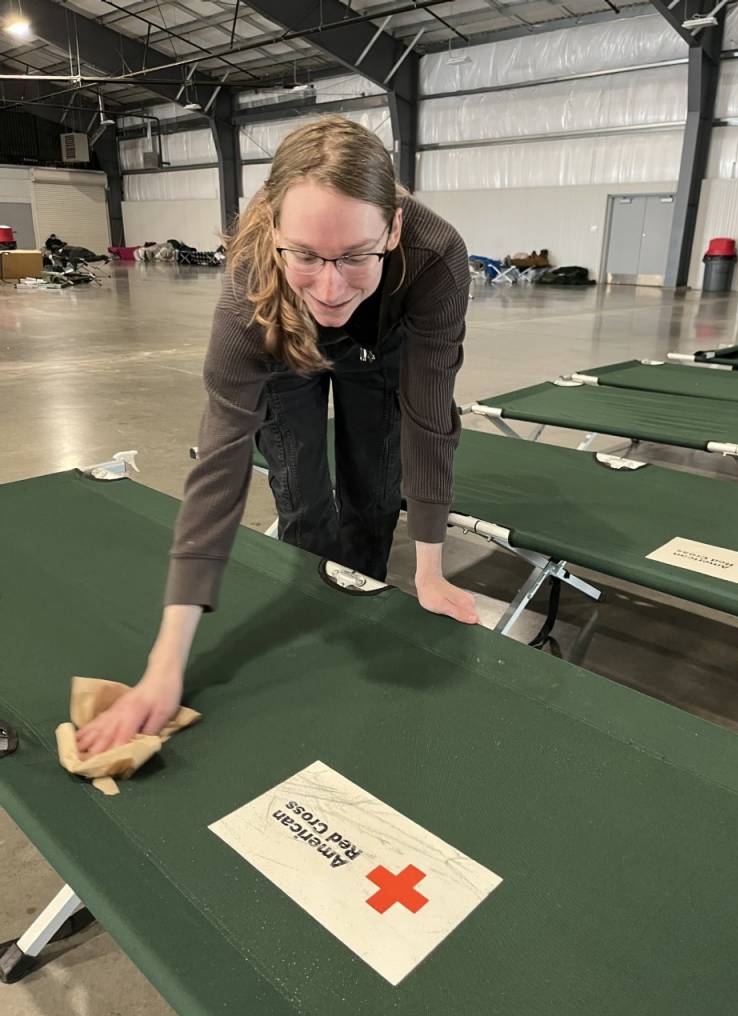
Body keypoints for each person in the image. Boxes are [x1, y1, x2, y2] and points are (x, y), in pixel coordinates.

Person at [77, 115, 477, 756]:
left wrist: (429, 571)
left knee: (375, 492)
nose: (331, 286)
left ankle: (362, 609)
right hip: (282, 340)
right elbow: (221, 462)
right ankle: (315, 624)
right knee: (303, 496)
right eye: (307, 255)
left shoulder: (436, 258)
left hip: (383, 349)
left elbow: (430, 417)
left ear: (394, 230)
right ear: (272, 232)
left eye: (357, 255)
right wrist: (165, 663)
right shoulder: (250, 282)